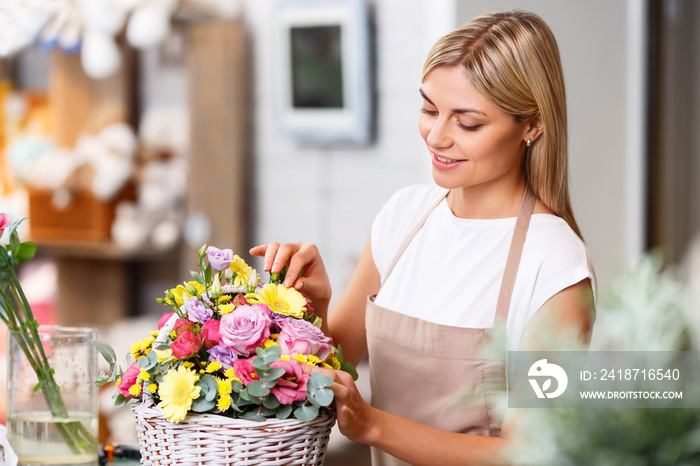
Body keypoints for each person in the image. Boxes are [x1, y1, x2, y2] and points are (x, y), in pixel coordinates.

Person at [251, 10, 595, 466]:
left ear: (531, 125)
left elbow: (530, 451)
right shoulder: (404, 215)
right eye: (430, 109)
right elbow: (337, 362)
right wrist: (315, 304)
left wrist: (374, 426)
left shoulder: (555, 265)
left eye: (467, 123)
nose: (436, 136)